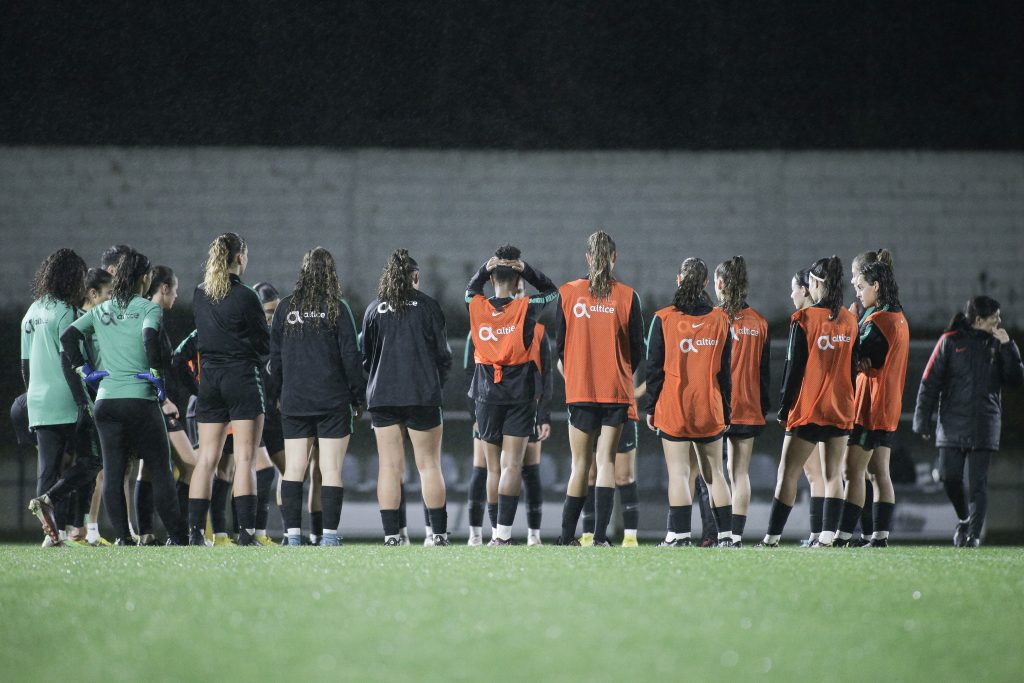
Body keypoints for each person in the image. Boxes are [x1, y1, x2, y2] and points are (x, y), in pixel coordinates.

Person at [60, 248, 187, 545]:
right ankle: (180, 538)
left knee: (114, 472)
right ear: (144, 278)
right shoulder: (147, 308)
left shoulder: (102, 310)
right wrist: (156, 376)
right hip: (140, 399)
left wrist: (85, 371)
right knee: (161, 470)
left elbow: (68, 336)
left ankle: (123, 539)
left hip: (107, 402)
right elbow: (149, 338)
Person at [761, 256, 858, 547]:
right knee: (832, 476)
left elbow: (794, 367)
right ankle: (827, 538)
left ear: (815, 284)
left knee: (787, 474)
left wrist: (784, 406)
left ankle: (771, 538)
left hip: (809, 408)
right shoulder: (850, 320)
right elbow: (852, 368)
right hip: (840, 406)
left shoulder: (803, 319)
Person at [555, 231, 645, 546]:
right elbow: (638, 351)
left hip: (580, 390)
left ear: (588, 258)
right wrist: (619, 372)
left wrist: (578, 372)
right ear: (614, 258)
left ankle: (566, 537)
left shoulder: (567, 293)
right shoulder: (628, 296)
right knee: (605, 461)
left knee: (580, 464)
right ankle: (601, 538)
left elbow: (561, 351)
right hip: (616, 391)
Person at [271, 247, 365, 547]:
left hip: (295, 401)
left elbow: (275, 359)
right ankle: (328, 537)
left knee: (294, 469)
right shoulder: (338, 307)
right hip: (332, 401)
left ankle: (293, 536)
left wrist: (277, 394)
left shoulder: (286, 308)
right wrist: (358, 396)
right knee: (330, 470)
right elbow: (351, 356)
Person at [465, 245, 557, 545]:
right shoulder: (526, 307)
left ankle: (493, 535)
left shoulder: (476, 306)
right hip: (519, 395)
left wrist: (483, 268)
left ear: (492, 279)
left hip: (486, 394)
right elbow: (553, 291)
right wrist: (526, 268)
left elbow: (470, 289)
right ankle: (504, 535)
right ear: (518, 281)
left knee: (492, 468)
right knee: (512, 466)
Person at [913, 296, 1023, 547]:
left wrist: (1009, 347)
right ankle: (964, 519)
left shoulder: (999, 345)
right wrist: (923, 421)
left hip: (985, 424)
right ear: (979, 320)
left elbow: (1015, 380)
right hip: (951, 424)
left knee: (978, 484)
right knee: (948, 477)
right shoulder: (949, 342)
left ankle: (973, 535)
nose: (999, 321)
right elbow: (929, 383)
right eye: (995, 317)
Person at [362, 249, 453, 546]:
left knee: (389, 467)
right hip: (422, 394)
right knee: (429, 465)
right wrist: (436, 383)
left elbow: (365, 358)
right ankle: (437, 535)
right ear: (415, 277)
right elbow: (443, 355)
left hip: (383, 396)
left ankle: (392, 536)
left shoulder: (375, 309)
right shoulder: (428, 307)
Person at [187, 233, 269, 546]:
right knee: (246, 458)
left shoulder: (199, 293)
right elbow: (263, 342)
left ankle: (195, 534)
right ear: (239, 257)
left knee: (206, 458)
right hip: (241, 378)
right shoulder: (247, 296)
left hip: (209, 381)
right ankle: (247, 534)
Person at [646, 258, 733, 547]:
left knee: (680, 474)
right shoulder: (721, 319)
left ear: (679, 280)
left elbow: (654, 369)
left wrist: (650, 407)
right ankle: (728, 537)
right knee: (715, 474)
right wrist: (727, 410)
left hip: (674, 407)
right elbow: (725, 372)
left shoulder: (663, 318)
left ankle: (679, 536)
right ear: (706, 284)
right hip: (709, 406)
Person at [22, 249, 105, 546]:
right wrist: (83, 402)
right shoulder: (66, 312)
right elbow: (68, 362)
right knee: (93, 459)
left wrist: (32, 395)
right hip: (67, 398)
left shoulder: (31, 313)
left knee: (48, 468)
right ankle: (59, 509)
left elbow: (26, 366)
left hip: (38, 399)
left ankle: (50, 535)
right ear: (70, 277)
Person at [835, 260, 908, 547]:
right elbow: (867, 357)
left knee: (850, 471)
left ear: (876, 286)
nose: (857, 292)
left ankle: (840, 537)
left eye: (861, 286)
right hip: (888, 406)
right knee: (879, 473)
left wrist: (851, 323)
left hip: (871, 407)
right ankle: (879, 537)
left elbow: (855, 352)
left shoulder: (879, 321)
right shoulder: (898, 316)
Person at [133, 265, 196, 545]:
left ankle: (146, 533)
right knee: (191, 465)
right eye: (176, 289)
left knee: (147, 467)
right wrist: (163, 398)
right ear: (164, 288)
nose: (177, 296)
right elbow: (151, 361)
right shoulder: (152, 315)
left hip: (145, 401)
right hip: (157, 403)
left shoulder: (142, 314)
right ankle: (178, 531)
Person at [715, 256, 769, 547]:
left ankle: (720, 533)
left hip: (718, 407)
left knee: (713, 472)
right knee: (739, 473)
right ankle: (735, 536)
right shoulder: (759, 322)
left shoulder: (713, 318)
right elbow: (764, 372)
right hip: (749, 406)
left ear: (721, 284)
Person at [789, 268, 828, 546]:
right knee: (817, 474)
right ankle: (820, 534)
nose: (791, 295)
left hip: (815, 407)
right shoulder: (828, 318)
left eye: (794, 288)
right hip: (821, 406)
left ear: (806, 289)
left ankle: (824, 533)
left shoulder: (807, 320)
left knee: (820, 474)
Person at [253, 281, 285, 545]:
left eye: (275, 311)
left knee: (292, 472)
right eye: (267, 312)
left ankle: (291, 532)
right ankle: (253, 532)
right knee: (262, 472)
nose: (272, 318)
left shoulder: (284, 338)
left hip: (274, 417)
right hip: (251, 417)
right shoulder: (247, 340)